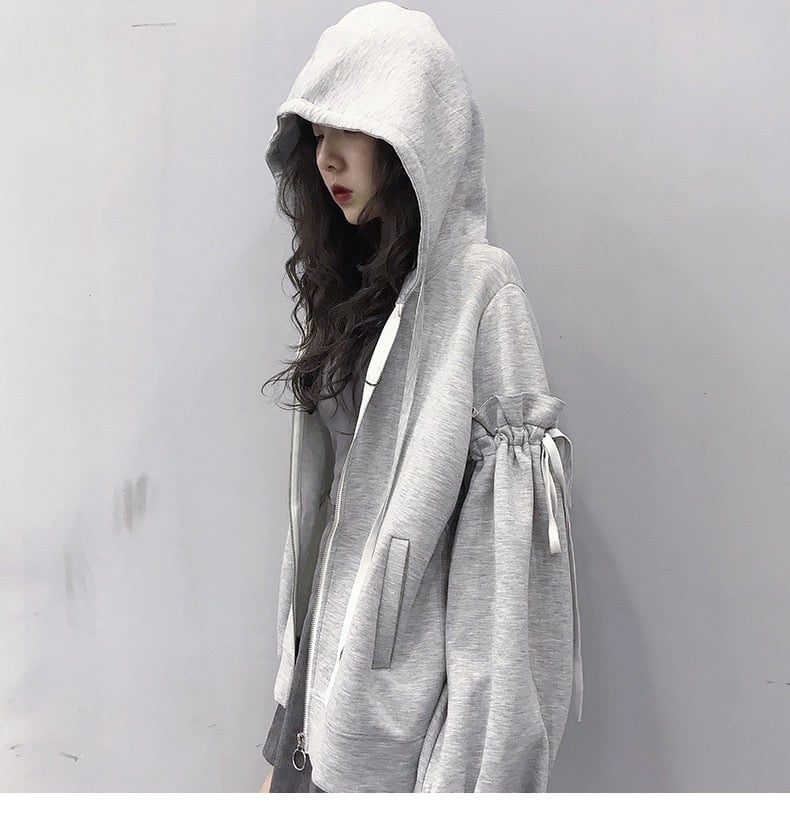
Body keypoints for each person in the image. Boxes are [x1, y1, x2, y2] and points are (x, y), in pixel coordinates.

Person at [258, 1, 582, 793]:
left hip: (401, 757)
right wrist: (285, 716)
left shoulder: (481, 293)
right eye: (316, 134)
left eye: (353, 129)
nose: (328, 157)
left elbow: (509, 595)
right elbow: (328, 527)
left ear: (416, 136)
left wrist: (473, 786)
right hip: (311, 716)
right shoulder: (352, 292)